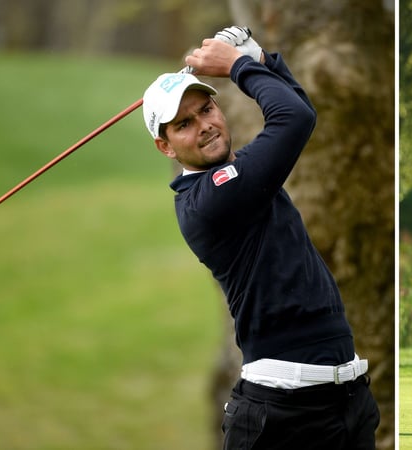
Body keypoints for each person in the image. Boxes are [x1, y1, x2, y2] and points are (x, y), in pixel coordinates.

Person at [141, 26, 379, 449]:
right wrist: (239, 66)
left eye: (206, 109)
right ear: (166, 147)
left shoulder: (241, 173)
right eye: (184, 124)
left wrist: (264, 62)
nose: (205, 126)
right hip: (281, 415)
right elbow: (295, 119)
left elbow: (298, 108)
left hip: (347, 401)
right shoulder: (208, 201)